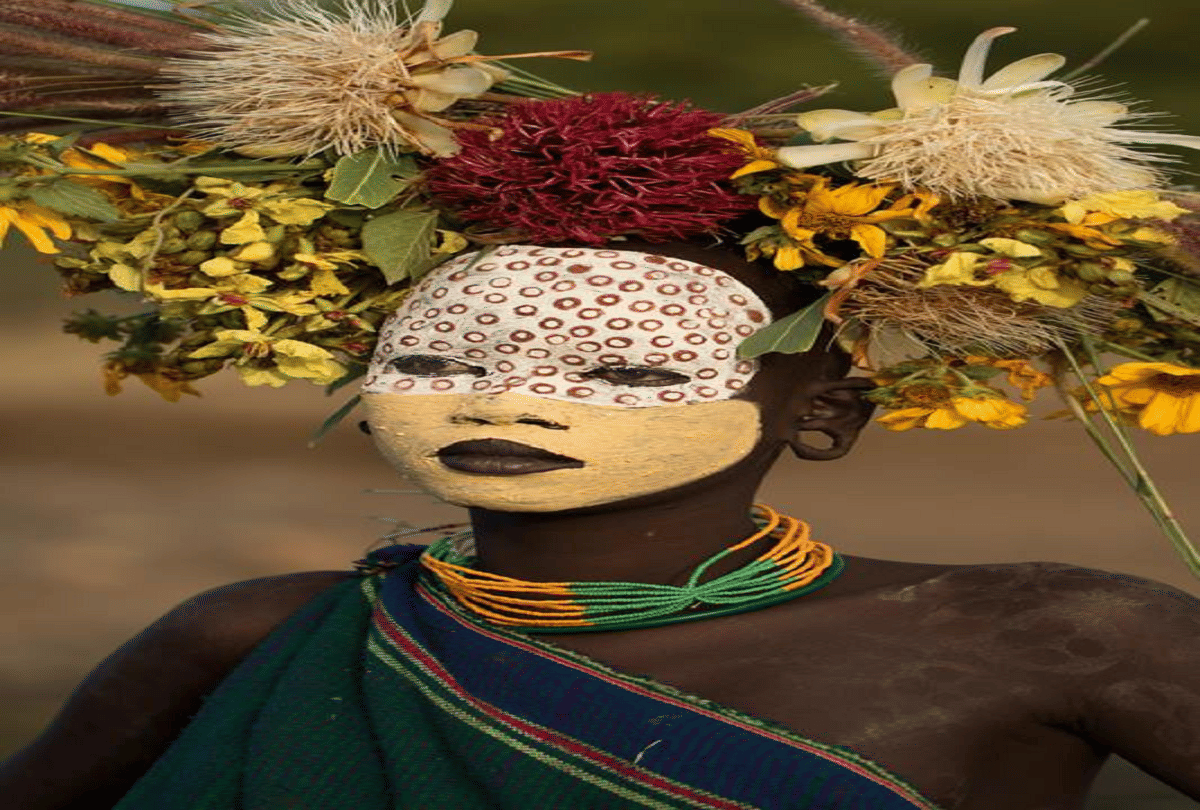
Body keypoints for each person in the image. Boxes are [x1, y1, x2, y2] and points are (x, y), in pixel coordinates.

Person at [2, 1, 1200, 808]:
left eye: (628, 371)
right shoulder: (250, 638)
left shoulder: (1061, 636)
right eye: (455, 360)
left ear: (826, 411)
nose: (518, 401)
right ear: (367, 377)